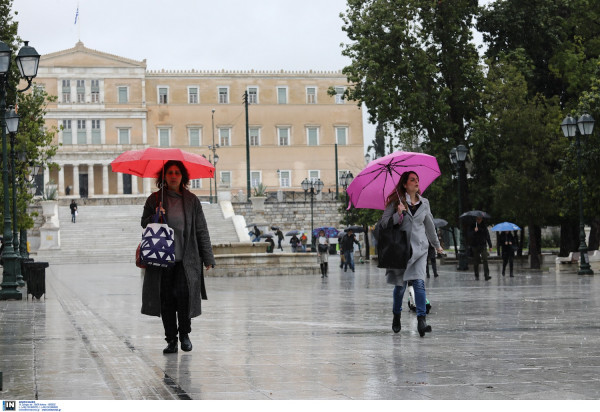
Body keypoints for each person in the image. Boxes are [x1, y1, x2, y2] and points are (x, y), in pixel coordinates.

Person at [141, 160, 215, 354]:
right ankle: (171, 340)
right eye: (170, 172)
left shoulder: (192, 201)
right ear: (163, 176)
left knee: (185, 297)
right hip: (161, 260)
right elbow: (143, 223)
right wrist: (155, 216)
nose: (173, 176)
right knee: (166, 301)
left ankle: (184, 335)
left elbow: (201, 230)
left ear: (183, 176)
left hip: (186, 260)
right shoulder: (154, 199)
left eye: (177, 173)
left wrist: (208, 257)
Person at [381, 171, 443, 336]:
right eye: (412, 180)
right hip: (401, 251)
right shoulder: (395, 203)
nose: (416, 182)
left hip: (420, 250)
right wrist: (398, 214)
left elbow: (429, 226)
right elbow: (384, 224)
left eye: (417, 179)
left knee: (419, 284)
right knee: (400, 288)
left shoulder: (424, 203)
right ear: (405, 184)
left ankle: (422, 321)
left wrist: (437, 246)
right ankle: (396, 315)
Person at [469, 216, 492, 280]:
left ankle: (486, 275)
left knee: (485, 259)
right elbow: (469, 235)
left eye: (480, 219)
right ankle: (476, 275)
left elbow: (487, 235)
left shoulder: (484, 226)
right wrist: (474, 231)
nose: (479, 220)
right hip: (475, 245)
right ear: (476, 219)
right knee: (476, 261)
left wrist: (490, 245)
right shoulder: (472, 225)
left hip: (483, 245)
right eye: (478, 219)